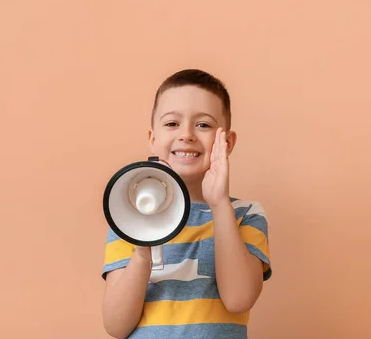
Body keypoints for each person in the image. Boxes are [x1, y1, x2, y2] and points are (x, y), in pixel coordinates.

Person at [101, 69, 272, 338]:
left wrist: (219, 204)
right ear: (152, 138)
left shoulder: (245, 214)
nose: (187, 135)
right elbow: (116, 325)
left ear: (226, 143)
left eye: (203, 125)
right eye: (172, 124)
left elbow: (239, 299)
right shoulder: (127, 216)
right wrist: (143, 252)